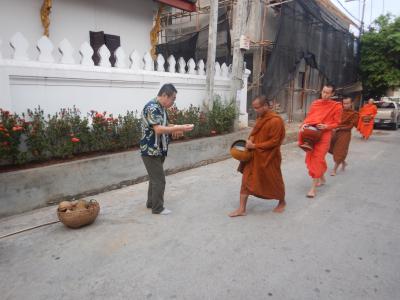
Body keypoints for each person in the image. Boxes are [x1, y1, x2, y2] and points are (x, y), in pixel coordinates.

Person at [140, 84, 194, 215]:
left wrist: (179, 127)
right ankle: (158, 208)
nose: (173, 102)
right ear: (164, 95)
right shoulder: (152, 107)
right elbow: (158, 129)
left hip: (158, 149)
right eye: (173, 99)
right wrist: (177, 128)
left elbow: (165, 125)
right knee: (159, 180)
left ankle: (151, 203)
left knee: (155, 178)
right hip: (150, 150)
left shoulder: (161, 107)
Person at [229, 95, 286, 217]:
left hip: (269, 156)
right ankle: (242, 208)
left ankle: (282, 201)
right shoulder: (261, 118)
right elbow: (256, 133)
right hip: (254, 155)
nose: (255, 110)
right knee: (246, 180)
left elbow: (274, 142)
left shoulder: (276, 121)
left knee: (273, 179)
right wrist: (249, 143)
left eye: (257, 108)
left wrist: (255, 146)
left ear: (265, 106)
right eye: (254, 108)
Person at [299, 85, 342, 198]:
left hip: (324, 136)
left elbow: (337, 123)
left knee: (318, 159)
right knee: (313, 157)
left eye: (328, 93)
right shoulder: (315, 104)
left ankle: (313, 189)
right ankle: (321, 178)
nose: (325, 95)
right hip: (312, 135)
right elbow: (309, 118)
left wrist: (326, 126)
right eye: (323, 92)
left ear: (332, 94)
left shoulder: (336, 106)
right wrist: (304, 125)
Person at [329, 97, 359, 176]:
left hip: (345, 134)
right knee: (331, 148)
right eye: (344, 103)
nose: (345, 105)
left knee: (340, 151)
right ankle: (344, 162)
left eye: (347, 103)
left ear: (351, 103)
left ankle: (334, 169)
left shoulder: (354, 114)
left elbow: (350, 127)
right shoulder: (339, 111)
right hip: (335, 132)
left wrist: (339, 128)